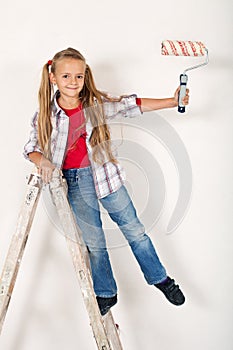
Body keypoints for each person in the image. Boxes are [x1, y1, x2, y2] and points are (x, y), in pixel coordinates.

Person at [24, 47, 189, 316]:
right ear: (53, 77)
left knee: (135, 230)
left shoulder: (94, 105)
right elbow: (30, 147)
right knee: (95, 242)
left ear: (85, 76)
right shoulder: (44, 115)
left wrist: (171, 102)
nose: (73, 82)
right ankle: (106, 292)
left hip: (105, 177)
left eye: (79, 76)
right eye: (66, 76)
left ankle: (160, 279)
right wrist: (41, 161)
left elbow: (131, 105)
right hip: (75, 183)